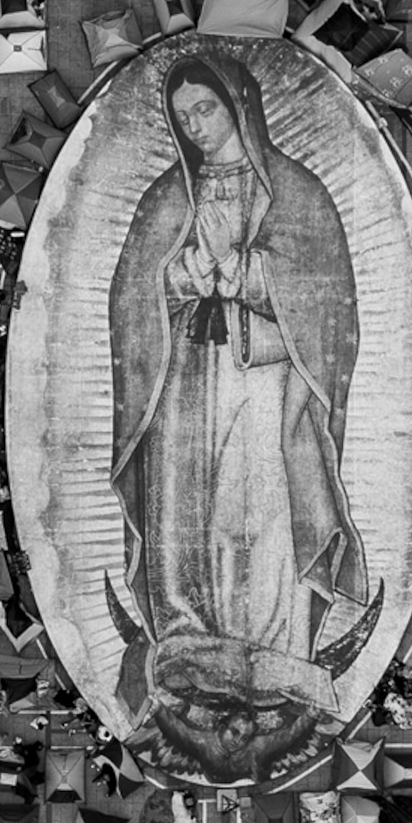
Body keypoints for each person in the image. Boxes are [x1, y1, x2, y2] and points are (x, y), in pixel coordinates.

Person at [106, 52, 368, 783]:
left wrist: (252, 279)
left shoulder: (295, 192)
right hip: (185, 385)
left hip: (264, 383)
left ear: (238, 105)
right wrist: (173, 281)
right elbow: (131, 300)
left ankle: (272, 653)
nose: (195, 126)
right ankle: (189, 646)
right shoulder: (167, 196)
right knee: (185, 515)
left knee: (258, 509)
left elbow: (330, 306)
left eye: (205, 111)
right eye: (183, 117)